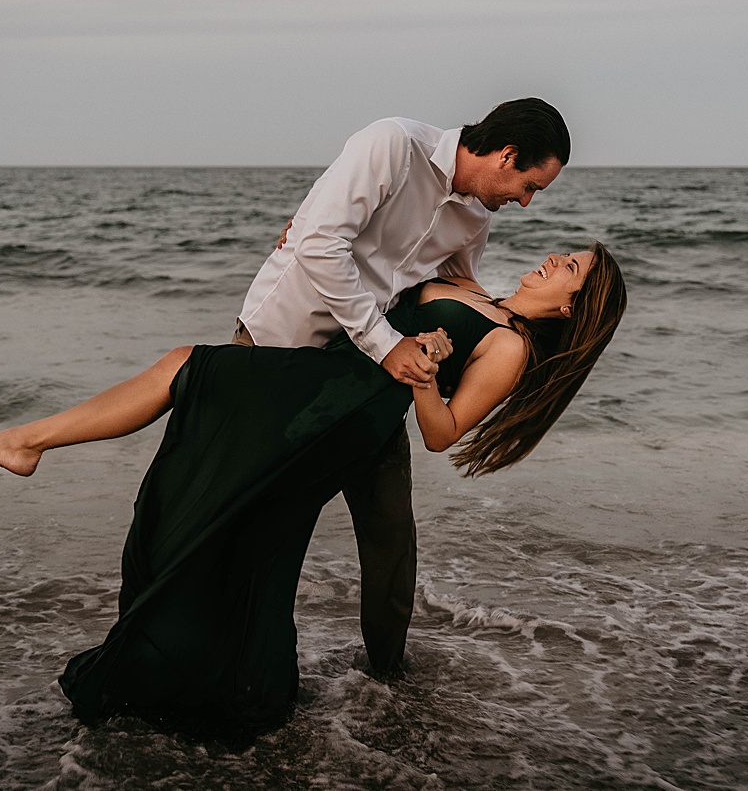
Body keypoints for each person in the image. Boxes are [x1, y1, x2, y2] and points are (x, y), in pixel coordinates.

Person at [0, 242, 627, 731]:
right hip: (321, 380)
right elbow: (387, 253)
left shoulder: (508, 344)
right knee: (242, 513)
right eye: (566, 252)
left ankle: (27, 442)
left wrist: (421, 378)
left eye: (571, 268)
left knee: (190, 368)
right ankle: (225, 676)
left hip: (344, 410)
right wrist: (305, 246)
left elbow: (444, 432)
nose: (554, 258)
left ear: (572, 305)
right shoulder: (473, 284)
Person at [232, 98, 571, 678]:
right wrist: (388, 342)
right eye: (530, 185)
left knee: (390, 533)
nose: (526, 202)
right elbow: (319, 245)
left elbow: (452, 288)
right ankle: (248, 665)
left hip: (369, 383)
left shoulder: (475, 218)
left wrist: (476, 346)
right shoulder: (393, 144)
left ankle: (389, 679)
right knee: (257, 518)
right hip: (279, 346)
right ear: (508, 155)